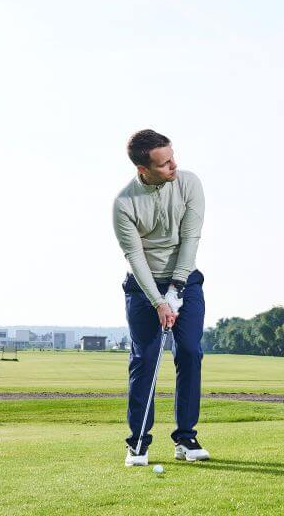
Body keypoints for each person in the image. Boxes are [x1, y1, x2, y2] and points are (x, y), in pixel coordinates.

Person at [113, 129, 210, 467]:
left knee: (189, 351)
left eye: (172, 157)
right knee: (146, 359)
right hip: (143, 288)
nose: (174, 165)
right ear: (143, 170)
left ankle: (186, 438)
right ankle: (137, 441)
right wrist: (159, 301)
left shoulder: (189, 183)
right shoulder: (124, 204)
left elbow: (190, 237)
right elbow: (135, 258)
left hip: (186, 280)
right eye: (165, 163)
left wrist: (178, 288)